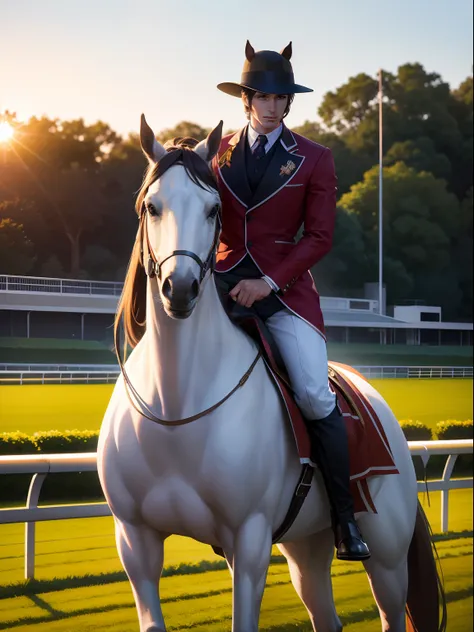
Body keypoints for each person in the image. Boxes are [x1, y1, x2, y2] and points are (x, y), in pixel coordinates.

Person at [212, 40, 370, 561]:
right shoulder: (216, 154)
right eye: (264, 97)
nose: (273, 107)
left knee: (313, 392)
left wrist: (270, 282)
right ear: (247, 98)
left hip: (286, 292)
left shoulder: (316, 159)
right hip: (222, 279)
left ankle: (345, 520)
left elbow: (318, 238)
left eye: (283, 99)